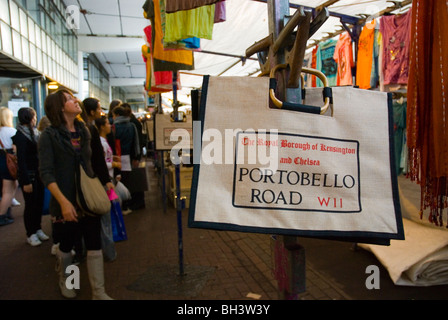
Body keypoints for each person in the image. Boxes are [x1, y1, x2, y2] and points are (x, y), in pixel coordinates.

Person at [38, 89, 113, 300]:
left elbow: (96, 160)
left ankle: (99, 292)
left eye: (73, 97)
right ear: (60, 107)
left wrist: (106, 182)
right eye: (69, 99)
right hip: (66, 200)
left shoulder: (86, 130)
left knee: (94, 244)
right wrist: (62, 202)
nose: (75, 100)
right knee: (68, 246)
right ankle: (68, 281)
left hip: (88, 198)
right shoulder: (49, 135)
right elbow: (46, 173)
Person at [81, 97, 116, 262]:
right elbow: (97, 159)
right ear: (92, 111)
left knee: (94, 220)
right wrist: (105, 179)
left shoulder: (89, 129)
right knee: (101, 215)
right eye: (99, 108)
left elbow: (97, 159)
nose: (101, 111)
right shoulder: (86, 130)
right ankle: (105, 251)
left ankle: (95, 252)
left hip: (92, 179)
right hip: (88, 181)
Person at [12, 107, 49, 246]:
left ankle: (37, 228)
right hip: (29, 175)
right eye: (34, 116)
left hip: (38, 173)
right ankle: (31, 233)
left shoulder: (35, 133)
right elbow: (21, 160)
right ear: (30, 117)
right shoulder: (20, 136)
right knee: (30, 205)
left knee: (39, 202)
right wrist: (25, 181)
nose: (36, 118)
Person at [112, 106, 141, 214]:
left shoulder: (114, 127)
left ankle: (118, 206)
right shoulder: (132, 125)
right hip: (128, 157)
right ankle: (126, 206)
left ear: (117, 115)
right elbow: (136, 143)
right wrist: (136, 157)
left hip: (116, 158)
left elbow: (112, 143)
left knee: (117, 181)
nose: (113, 117)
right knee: (127, 181)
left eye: (114, 115)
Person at [0, 107, 18, 226]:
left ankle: (6, 211)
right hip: (8, 160)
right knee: (8, 190)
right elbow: (16, 148)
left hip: (1, 159)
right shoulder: (11, 131)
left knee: (8, 188)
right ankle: (2, 215)